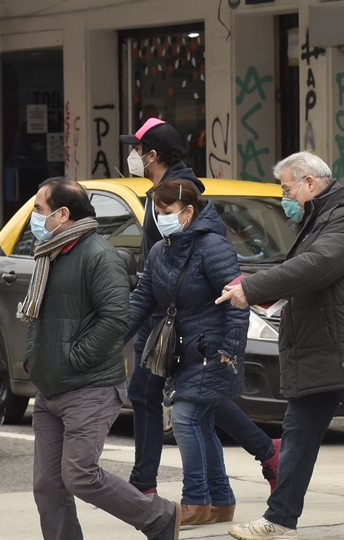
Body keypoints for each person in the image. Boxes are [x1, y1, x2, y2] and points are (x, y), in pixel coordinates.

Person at [219, 152, 344, 540]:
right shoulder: (320, 215)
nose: (285, 196)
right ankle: (280, 520)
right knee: (299, 433)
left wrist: (252, 288)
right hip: (322, 348)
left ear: (310, 183)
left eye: (287, 188)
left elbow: (314, 266)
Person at [15, 177, 179, 540]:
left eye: (39, 207)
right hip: (51, 389)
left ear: (63, 214)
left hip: (88, 385)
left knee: (79, 474)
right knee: (48, 485)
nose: (34, 216)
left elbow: (115, 318)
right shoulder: (50, 253)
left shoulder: (97, 254)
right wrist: (37, 361)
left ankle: (158, 518)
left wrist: (73, 358)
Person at [119, 118, 279, 498]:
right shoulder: (161, 191)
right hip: (165, 313)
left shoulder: (180, 196)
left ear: (152, 154)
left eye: (137, 150)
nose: (133, 156)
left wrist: (228, 350)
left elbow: (216, 272)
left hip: (181, 322)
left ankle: (161, 487)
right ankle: (226, 485)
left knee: (186, 399)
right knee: (193, 402)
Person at [126, 180, 248, 526]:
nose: (158, 218)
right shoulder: (161, 251)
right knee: (202, 422)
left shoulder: (212, 247)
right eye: (156, 212)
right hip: (184, 352)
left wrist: (231, 350)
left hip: (215, 350)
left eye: (164, 212)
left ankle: (196, 501)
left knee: (184, 418)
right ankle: (221, 502)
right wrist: (109, 338)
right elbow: (141, 301)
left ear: (188, 212)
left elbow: (237, 299)